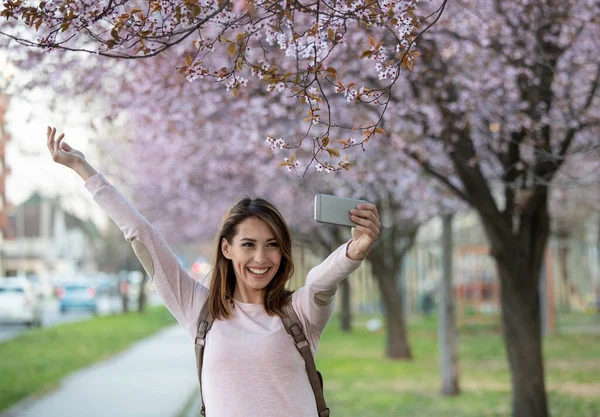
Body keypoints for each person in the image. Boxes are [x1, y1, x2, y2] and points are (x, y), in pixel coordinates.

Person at [45, 127, 381, 417]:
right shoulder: (198, 309)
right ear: (226, 248)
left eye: (272, 244)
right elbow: (141, 235)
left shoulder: (300, 313)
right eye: (248, 244)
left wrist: (354, 251)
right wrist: (82, 168)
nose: (261, 258)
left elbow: (321, 282)